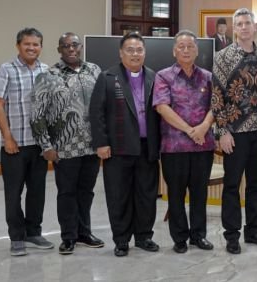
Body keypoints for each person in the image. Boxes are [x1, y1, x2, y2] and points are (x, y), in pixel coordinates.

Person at [30, 33, 104, 255]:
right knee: (67, 193)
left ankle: (84, 232)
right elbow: (37, 115)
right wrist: (46, 146)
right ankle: (69, 236)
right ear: (59, 49)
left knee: (87, 192)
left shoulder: (95, 71)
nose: (70, 49)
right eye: (65, 46)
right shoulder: (48, 76)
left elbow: (104, 106)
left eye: (74, 45)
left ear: (80, 47)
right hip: (64, 147)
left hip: (92, 146)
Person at [90, 32, 162, 257]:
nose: (135, 54)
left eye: (139, 50)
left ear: (144, 53)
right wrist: (101, 143)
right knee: (118, 196)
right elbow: (96, 113)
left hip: (147, 148)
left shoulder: (153, 77)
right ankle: (121, 240)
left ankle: (144, 236)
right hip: (118, 148)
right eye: (130, 50)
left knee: (147, 195)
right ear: (121, 53)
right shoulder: (107, 77)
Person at [211, 8, 257, 254]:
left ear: (255, 27)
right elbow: (217, 97)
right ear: (234, 29)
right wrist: (222, 131)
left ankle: (254, 230)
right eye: (239, 24)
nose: (244, 27)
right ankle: (232, 234)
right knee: (231, 184)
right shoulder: (223, 57)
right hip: (234, 132)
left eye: (248, 23)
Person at [152, 30, 216, 254]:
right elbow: (162, 107)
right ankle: (179, 238)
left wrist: (204, 127)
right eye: (181, 46)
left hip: (203, 145)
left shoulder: (208, 77)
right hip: (174, 147)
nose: (186, 50)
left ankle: (198, 236)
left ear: (197, 50)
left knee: (200, 193)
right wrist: (190, 130)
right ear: (174, 50)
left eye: (190, 46)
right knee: (176, 194)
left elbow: (215, 106)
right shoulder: (163, 76)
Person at [0, 27, 53, 256]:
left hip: (39, 145)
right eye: (27, 44)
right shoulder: (5, 70)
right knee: (13, 192)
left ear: (41, 47)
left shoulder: (47, 71)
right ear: (18, 45)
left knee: (37, 191)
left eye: (36, 44)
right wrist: (7, 138)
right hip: (14, 145)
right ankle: (17, 237)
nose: (31, 48)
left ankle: (33, 232)